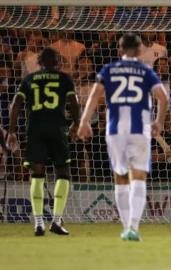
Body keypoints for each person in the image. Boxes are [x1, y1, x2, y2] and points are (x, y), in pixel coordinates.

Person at [77, 33, 169, 241]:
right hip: (139, 128)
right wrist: (159, 121)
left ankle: (125, 225)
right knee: (138, 176)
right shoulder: (146, 71)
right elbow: (163, 97)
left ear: (119, 50)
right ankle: (133, 228)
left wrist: (84, 122)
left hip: (115, 129)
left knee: (120, 176)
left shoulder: (109, 70)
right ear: (139, 51)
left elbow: (94, 96)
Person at [6, 47, 80, 236]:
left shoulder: (29, 80)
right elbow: (74, 102)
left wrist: (12, 131)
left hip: (36, 130)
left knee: (37, 173)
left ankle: (38, 222)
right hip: (57, 130)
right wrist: (76, 124)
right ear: (58, 62)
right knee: (62, 171)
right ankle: (56, 220)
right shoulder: (64, 79)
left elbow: (16, 105)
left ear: (39, 62)